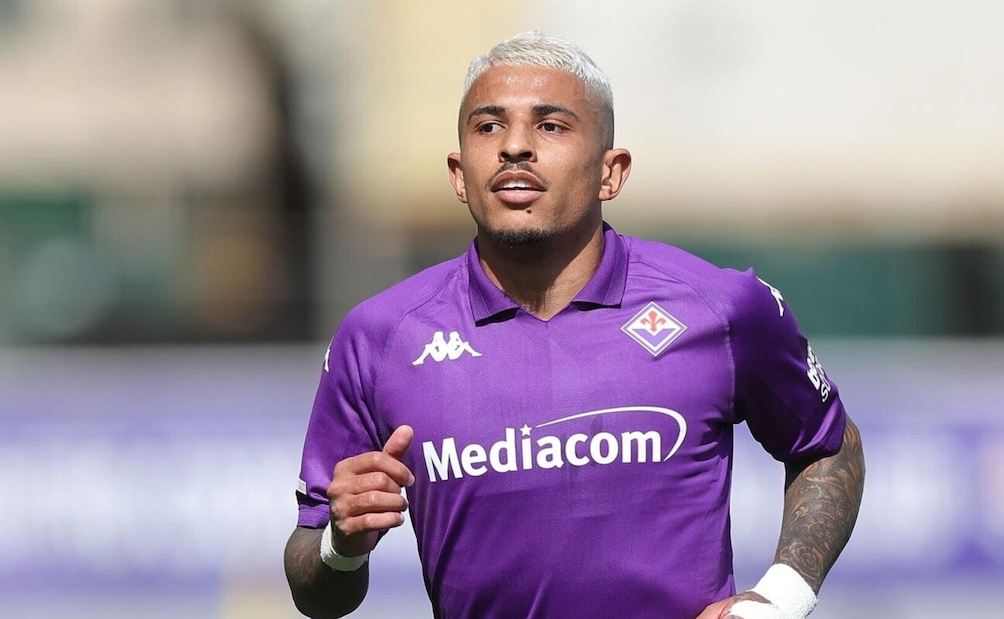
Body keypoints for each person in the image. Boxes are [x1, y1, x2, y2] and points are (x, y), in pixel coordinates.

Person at [284, 31, 865, 619]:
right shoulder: (380, 337)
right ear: (459, 174)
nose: (514, 146)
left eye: (551, 125)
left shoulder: (721, 306)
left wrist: (781, 599)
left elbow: (829, 446)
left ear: (611, 172)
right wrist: (339, 546)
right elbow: (314, 586)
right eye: (489, 126)